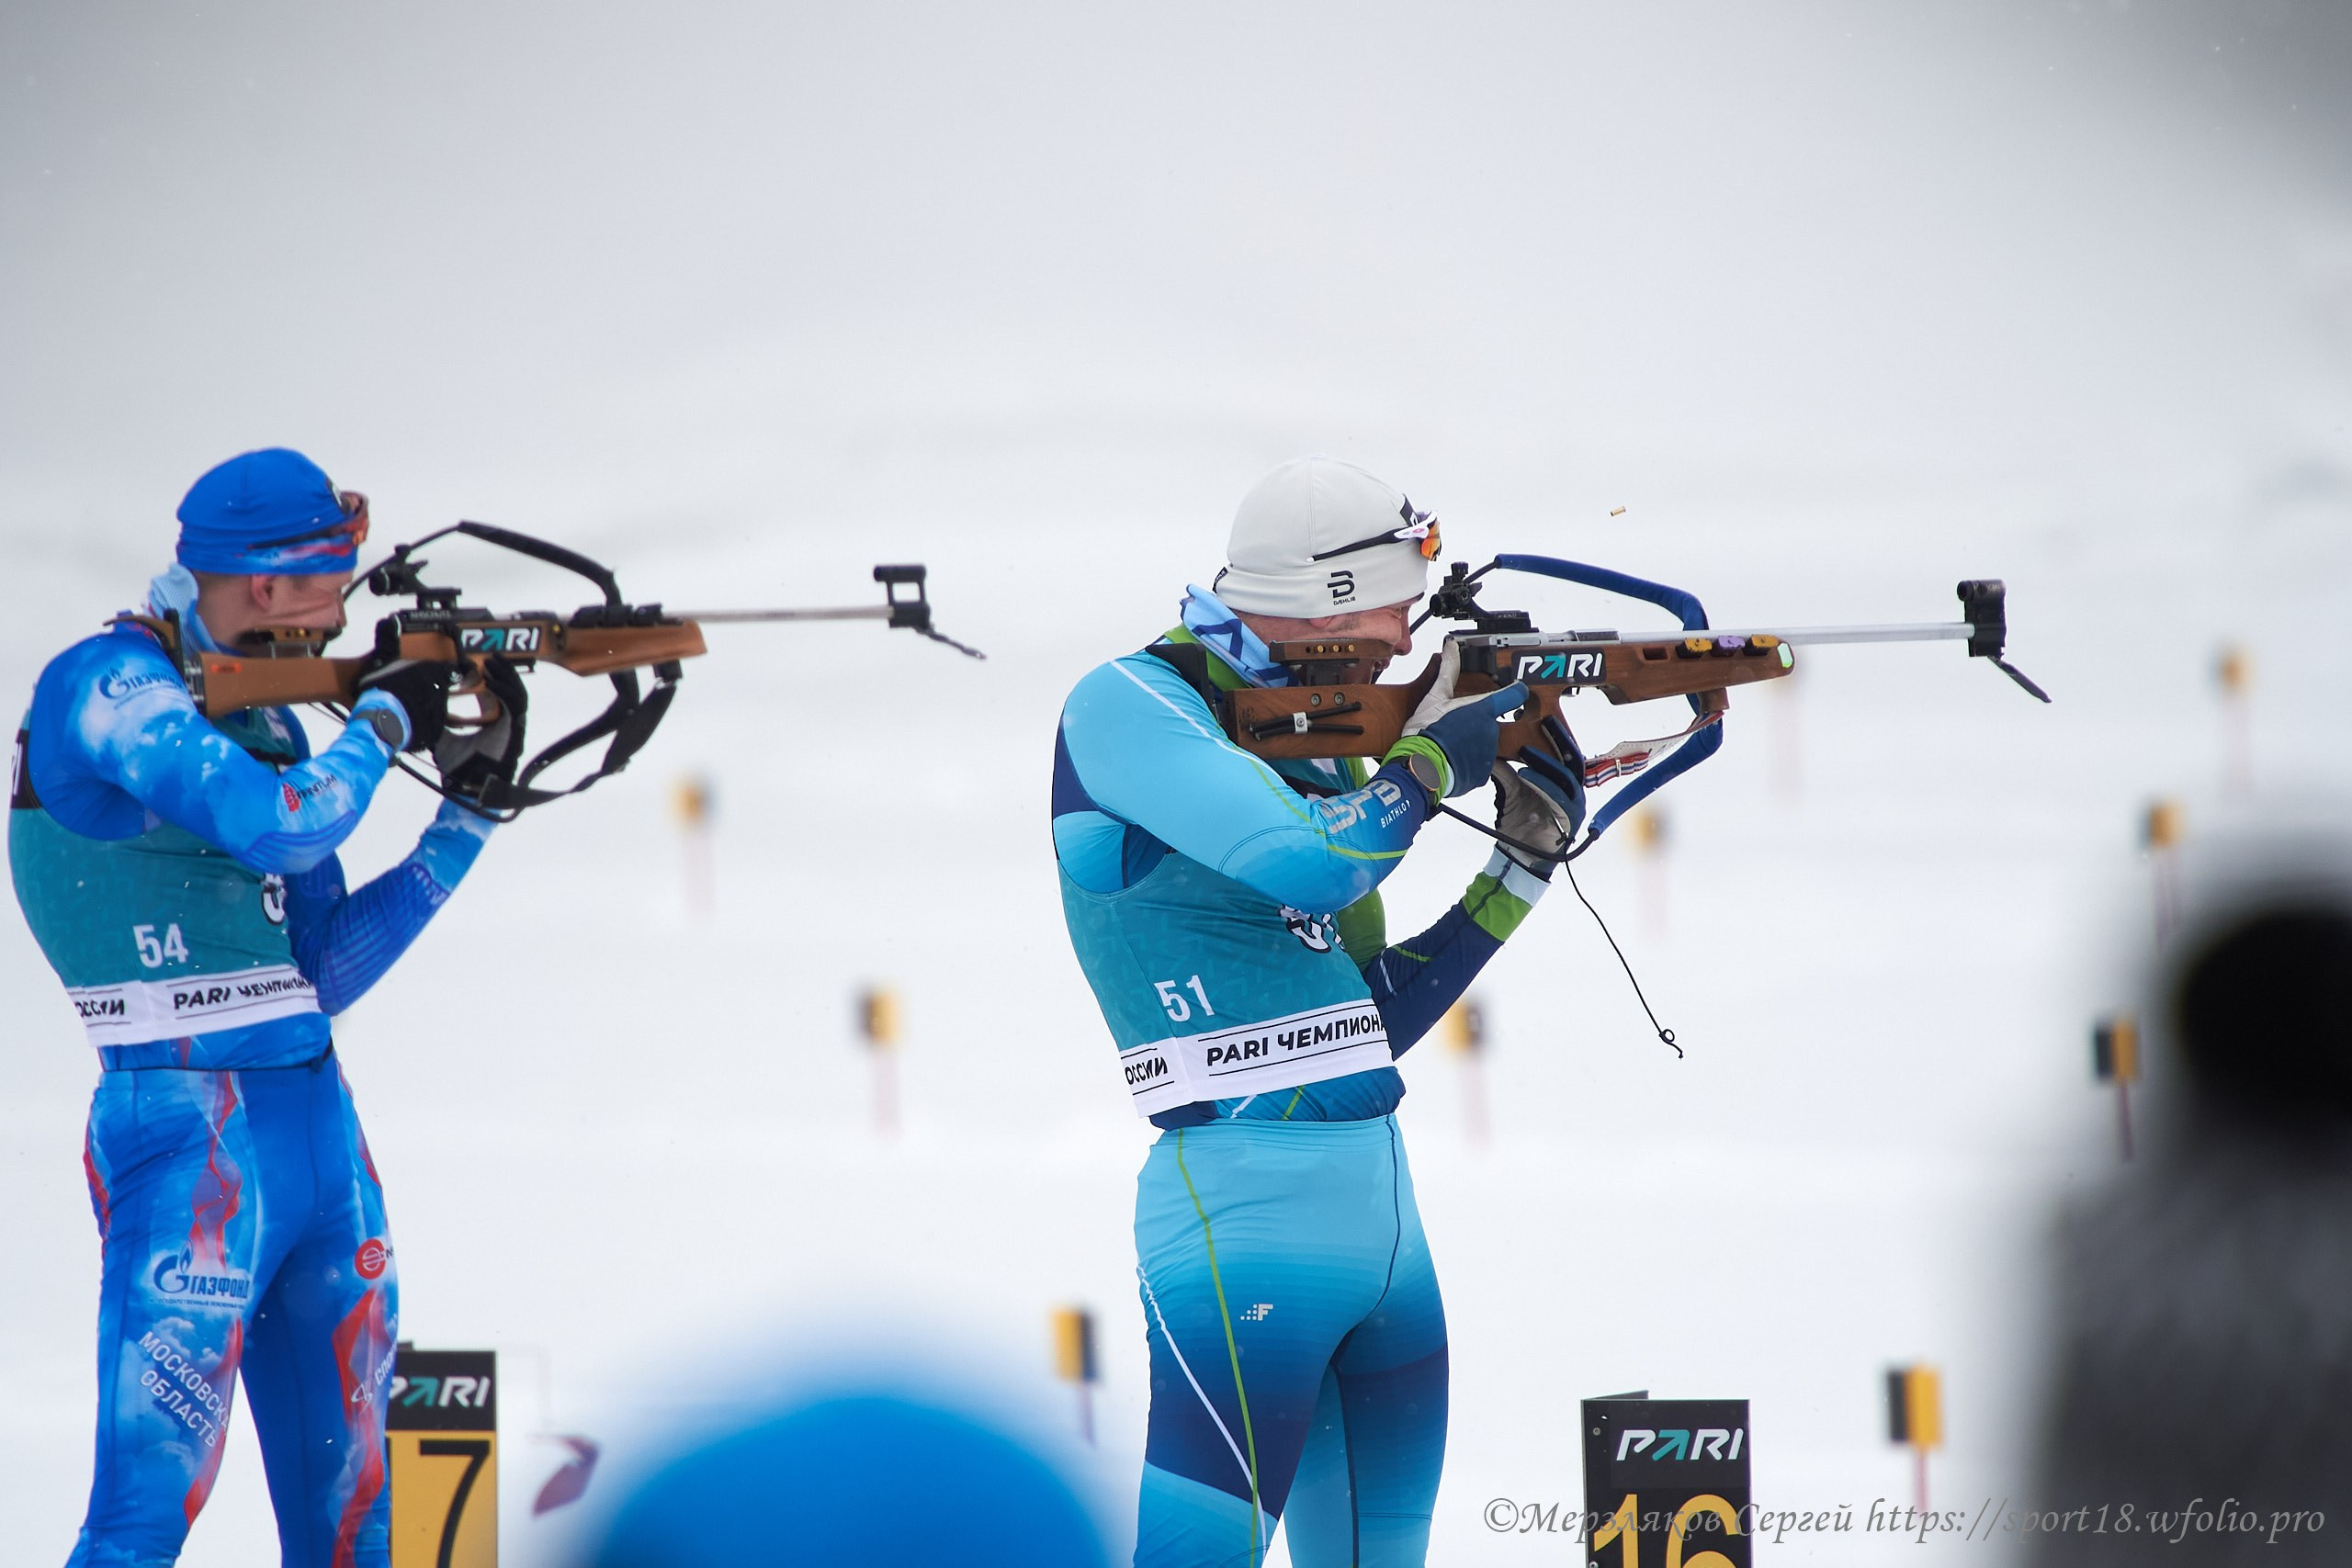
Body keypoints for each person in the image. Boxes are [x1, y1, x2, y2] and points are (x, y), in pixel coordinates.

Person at [1049, 457, 1583, 1567]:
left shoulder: (1326, 745)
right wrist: (1426, 765)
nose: (1405, 636)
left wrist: (1522, 865)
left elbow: (1360, 1022)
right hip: (1239, 1210)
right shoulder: (1127, 705)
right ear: (1329, 596)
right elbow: (1314, 865)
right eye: (1396, 604)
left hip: (1385, 1220)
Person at [10, 447, 524, 1567]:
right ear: (269, 581)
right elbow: (279, 826)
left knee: (368, 1527)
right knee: (140, 1523)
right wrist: (381, 727)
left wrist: (469, 817)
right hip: (188, 1137)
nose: (339, 615)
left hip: (316, 1126)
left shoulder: (273, 725)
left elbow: (320, 971)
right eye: (331, 587)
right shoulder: (104, 688)